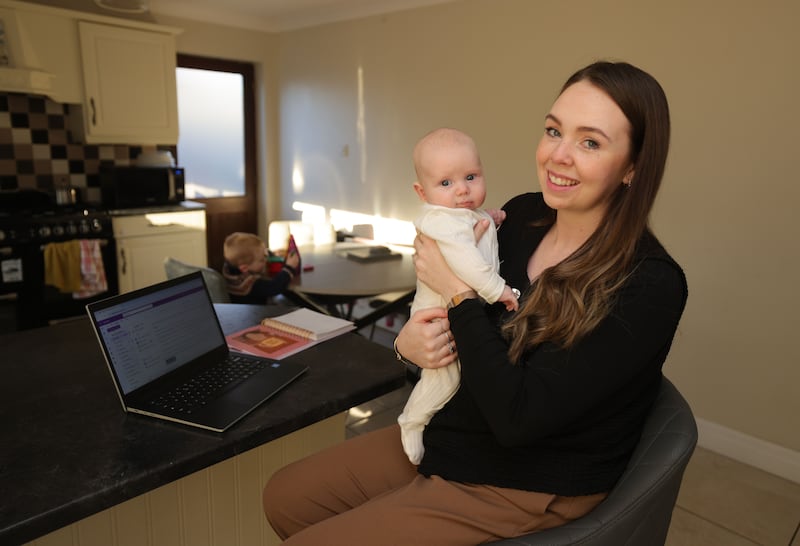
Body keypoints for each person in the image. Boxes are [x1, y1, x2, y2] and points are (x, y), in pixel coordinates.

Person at [262, 60, 688, 545]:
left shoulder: (648, 283)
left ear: (633, 165)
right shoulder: (526, 215)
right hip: (462, 428)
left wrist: (460, 292)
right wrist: (409, 346)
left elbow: (517, 418)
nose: (558, 155)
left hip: (526, 476)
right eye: (553, 131)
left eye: (590, 142)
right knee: (285, 495)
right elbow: (457, 344)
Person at [398, 127, 519, 466]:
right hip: (439, 317)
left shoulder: (462, 216)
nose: (463, 189)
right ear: (422, 192)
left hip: (463, 314)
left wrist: (490, 219)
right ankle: (413, 420)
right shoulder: (440, 221)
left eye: (471, 176)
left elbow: (475, 234)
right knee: (444, 379)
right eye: (446, 183)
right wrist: (499, 291)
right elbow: (467, 263)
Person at [222, 232, 300, 304]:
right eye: (262, 260)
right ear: (244, 268)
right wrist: (289, 267)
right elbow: (275, 287)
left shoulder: (229, 267)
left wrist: (269, 253)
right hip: (255, 313)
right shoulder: (249, 284)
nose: (266, 260)